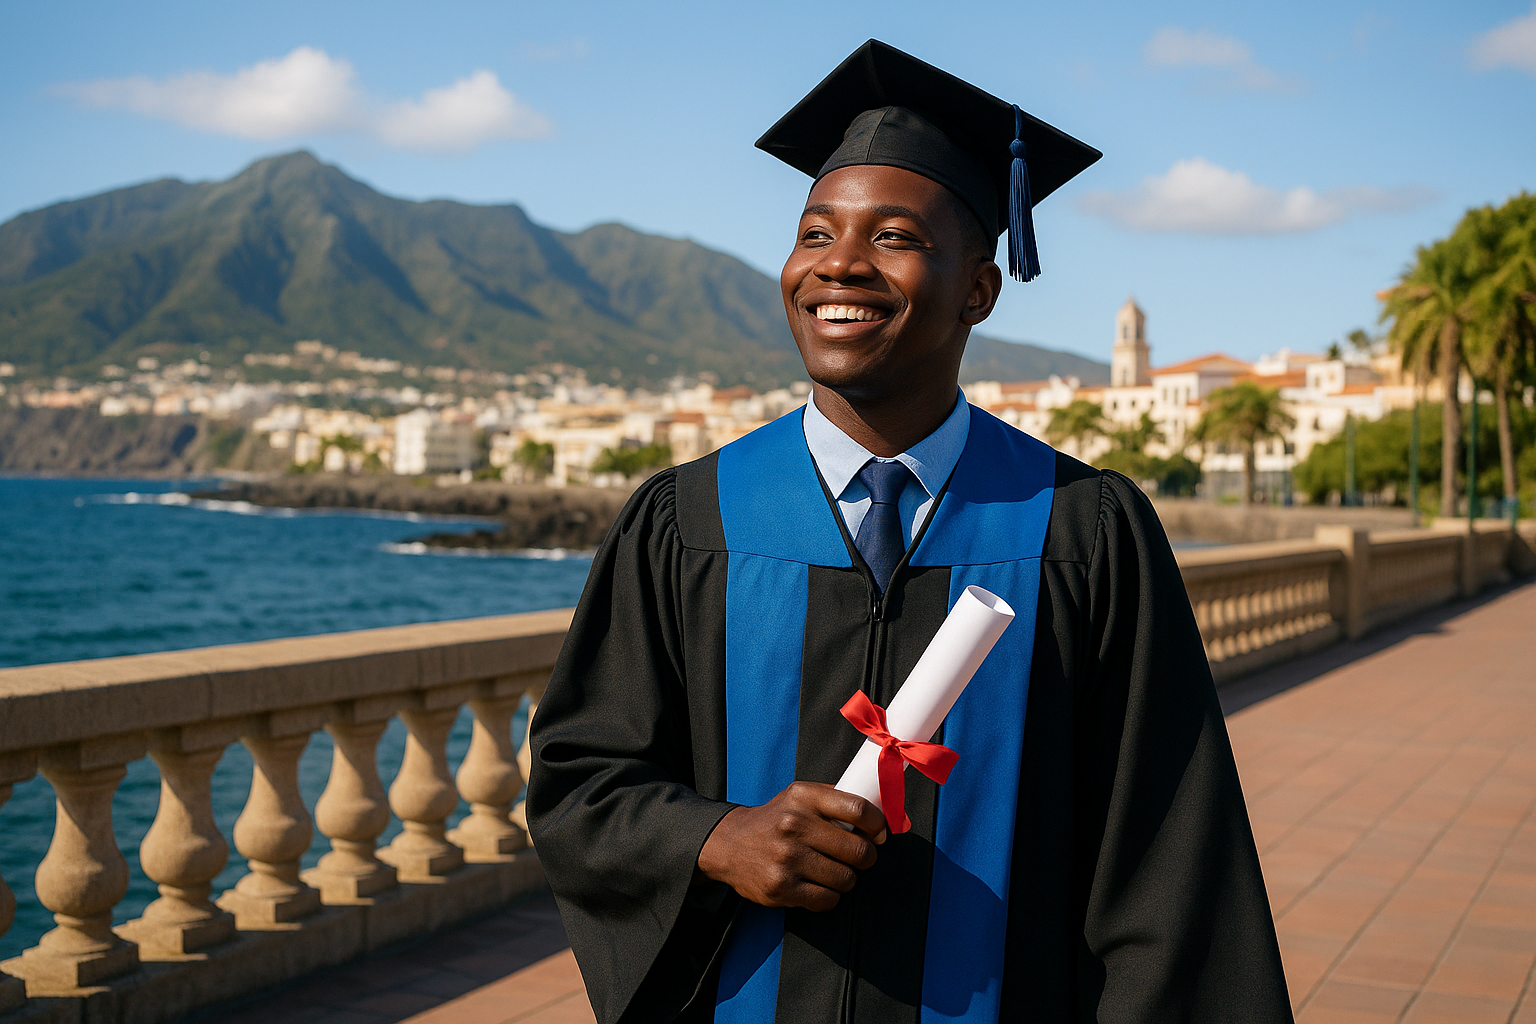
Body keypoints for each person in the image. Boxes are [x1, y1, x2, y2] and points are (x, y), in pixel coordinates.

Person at [527, 40, 1294, 1024]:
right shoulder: (689, 520)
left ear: (979, 287)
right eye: (814, 233)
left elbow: (1170, 869)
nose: (838, 263)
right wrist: (715, 840)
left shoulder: (1082, 532)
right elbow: (580, 780)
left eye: (892, 236)